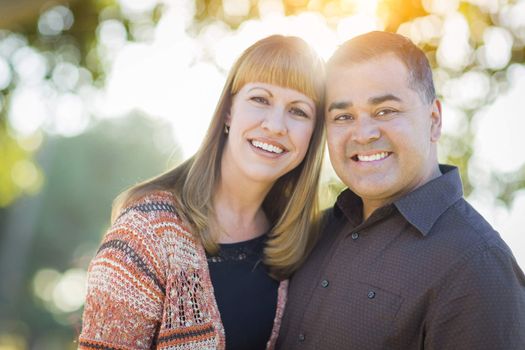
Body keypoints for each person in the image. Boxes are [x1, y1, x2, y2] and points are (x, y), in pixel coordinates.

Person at [277, 31, 525, 349]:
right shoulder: (313, 233)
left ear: (434, 120)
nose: (363, 133)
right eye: (343, 116)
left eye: (385, 111)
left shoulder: (478, 264)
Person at [78, 35, 325, 350]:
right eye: (260, 99)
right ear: (228, 112)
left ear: (313, 135)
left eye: (299, 111)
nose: (276, 125)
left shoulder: (303, 243)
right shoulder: (146, 232)